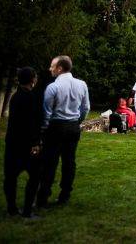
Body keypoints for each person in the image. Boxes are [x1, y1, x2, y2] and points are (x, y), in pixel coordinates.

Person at [37, 55, 90, 208]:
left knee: (49, 162)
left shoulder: (53, 87)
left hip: (56, 125)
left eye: (52, 66)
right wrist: (78, 120)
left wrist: (44, 128)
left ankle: (43, 196)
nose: (50, 69)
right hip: (73, 126)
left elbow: (47, 111)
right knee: (69, 161)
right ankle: (65, 194)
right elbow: (86, 108)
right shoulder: (82, 84)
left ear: (59, 68)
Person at [3, 67, 43, 218]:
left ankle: (11, 208)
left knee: (11, 176)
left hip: (13, 142)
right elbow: (33, 123)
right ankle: (27, 210)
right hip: (27, 143)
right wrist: (36, 142)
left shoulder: (16, 97)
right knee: (34, 176)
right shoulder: (32, 98)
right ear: (32, 80)